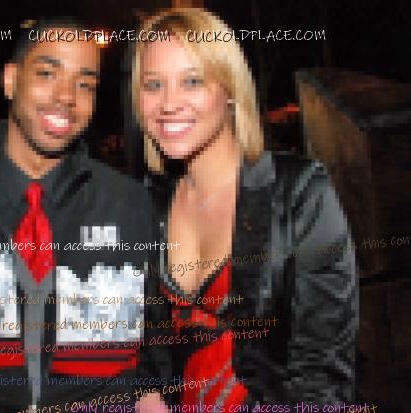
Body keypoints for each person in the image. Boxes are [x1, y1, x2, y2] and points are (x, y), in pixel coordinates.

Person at [0, 17, 169, 413]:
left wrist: (149, 393)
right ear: (11, 81)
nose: (66, 96)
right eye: (47, 73)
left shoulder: (128, 203)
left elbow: (155, 341)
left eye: (85, 84)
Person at [132, 8, 357, 410]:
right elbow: (147, 344)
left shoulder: (299, 192)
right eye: (153, 84)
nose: (169, 102)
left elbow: (322, 372)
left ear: (231, 89)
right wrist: (146, 392)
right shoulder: (149, 203)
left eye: (192, 81)